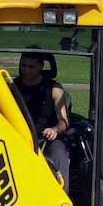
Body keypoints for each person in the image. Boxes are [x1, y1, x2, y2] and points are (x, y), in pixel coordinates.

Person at [15, 48, 70, 193]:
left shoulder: (54, 89)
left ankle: (61, 196)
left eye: (31, 67)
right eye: (23, 66)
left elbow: (64, 121)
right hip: (17, 138)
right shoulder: (11, 88)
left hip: (46, 139)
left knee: (58, 151)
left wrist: (55, 130)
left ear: (41, 66)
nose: (26, 71)